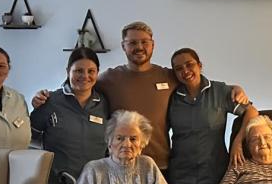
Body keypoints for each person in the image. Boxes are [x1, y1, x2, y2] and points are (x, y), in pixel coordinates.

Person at [32, 21, 250, 170]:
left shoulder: (169, 75)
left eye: (144, 42)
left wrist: (234, 88)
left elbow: (195, 80)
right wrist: (47, 95)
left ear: (153, 45)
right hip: (121, 165)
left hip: (161, 166)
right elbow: (80, 83)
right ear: (123, 47)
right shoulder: (109, 78)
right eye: (133, 42)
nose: (139, 47)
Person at [167, 47, 259, 184]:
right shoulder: (171, 96)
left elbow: (251, 111)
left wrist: (237, 141)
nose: (185, 71)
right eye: (178, 68)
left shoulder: (219, 91)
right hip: (180, 179)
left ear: (200, 65)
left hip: (214, 175)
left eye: (189, 64)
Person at [29, 47, 110, 184]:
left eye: (91, 71)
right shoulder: (50, 102)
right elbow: (28, 140)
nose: (85, 76)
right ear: (68, 71)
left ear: (97, 73)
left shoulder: (104, 105)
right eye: (78, 71)